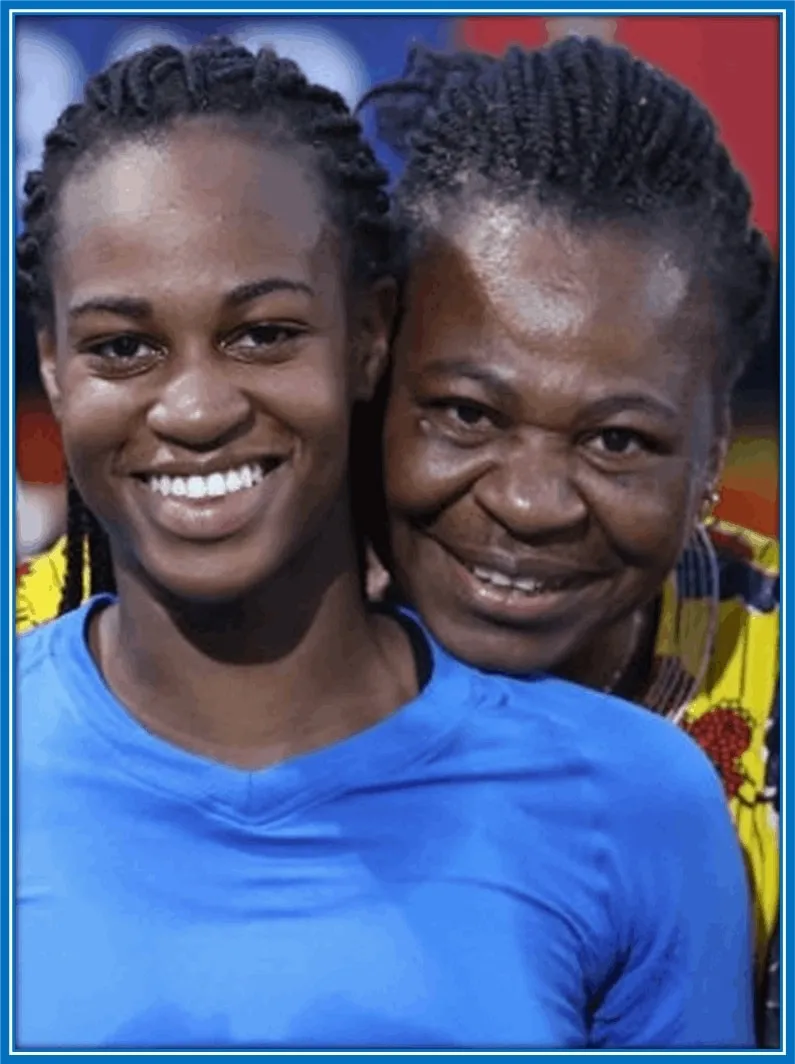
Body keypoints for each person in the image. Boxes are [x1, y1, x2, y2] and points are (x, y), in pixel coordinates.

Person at [15, 37, 753, 1051]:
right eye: (464, 412)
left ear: (365, 334)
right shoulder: (40, 663)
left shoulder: (642, 802)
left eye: (263, 332)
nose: (193, 405)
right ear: (54, 368)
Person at [362, 37, 780, 1045]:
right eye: (465, 412)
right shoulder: (147, 636)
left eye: (618, 438)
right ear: (373, 370)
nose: (534, 500)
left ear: (714, 446)